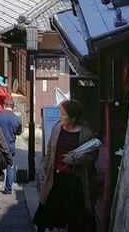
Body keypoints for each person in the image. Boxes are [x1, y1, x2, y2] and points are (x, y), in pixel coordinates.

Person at [35, 99, 98, 232]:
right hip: (55, 178)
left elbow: (92, 156)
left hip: (75, 182)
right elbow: (50, 148)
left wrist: (74, 159)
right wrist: (46, 167)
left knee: (76, 219)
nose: (60, 117)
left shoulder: (86, 133)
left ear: (73, 118)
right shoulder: (57, 128)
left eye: (63, 114)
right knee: (45, 213)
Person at [0, 98, 22, 194]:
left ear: (4, 106)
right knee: (10, 168)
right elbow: (18, 132)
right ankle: (8, 189)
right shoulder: (17, 119)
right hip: (10, 147)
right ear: (13, 107)